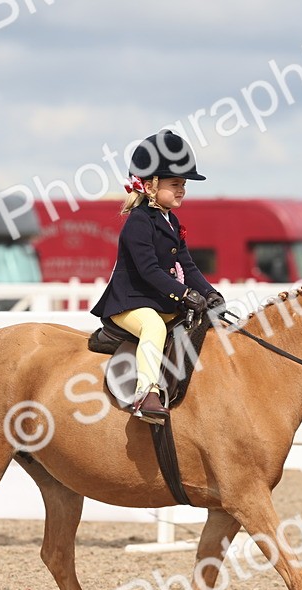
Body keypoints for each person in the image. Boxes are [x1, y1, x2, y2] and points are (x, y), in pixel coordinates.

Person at [90, 130, 224, 423]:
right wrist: (184, 294)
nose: (182, 190)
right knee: (153, 327)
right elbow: (148, 270)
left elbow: (187, 266)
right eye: (175, 183)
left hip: (157, 301)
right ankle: (145, 394)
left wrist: (211, 294)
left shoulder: (171, 221)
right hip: (130, 304)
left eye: (184, 184)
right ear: (150, 186)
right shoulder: (138, 223)